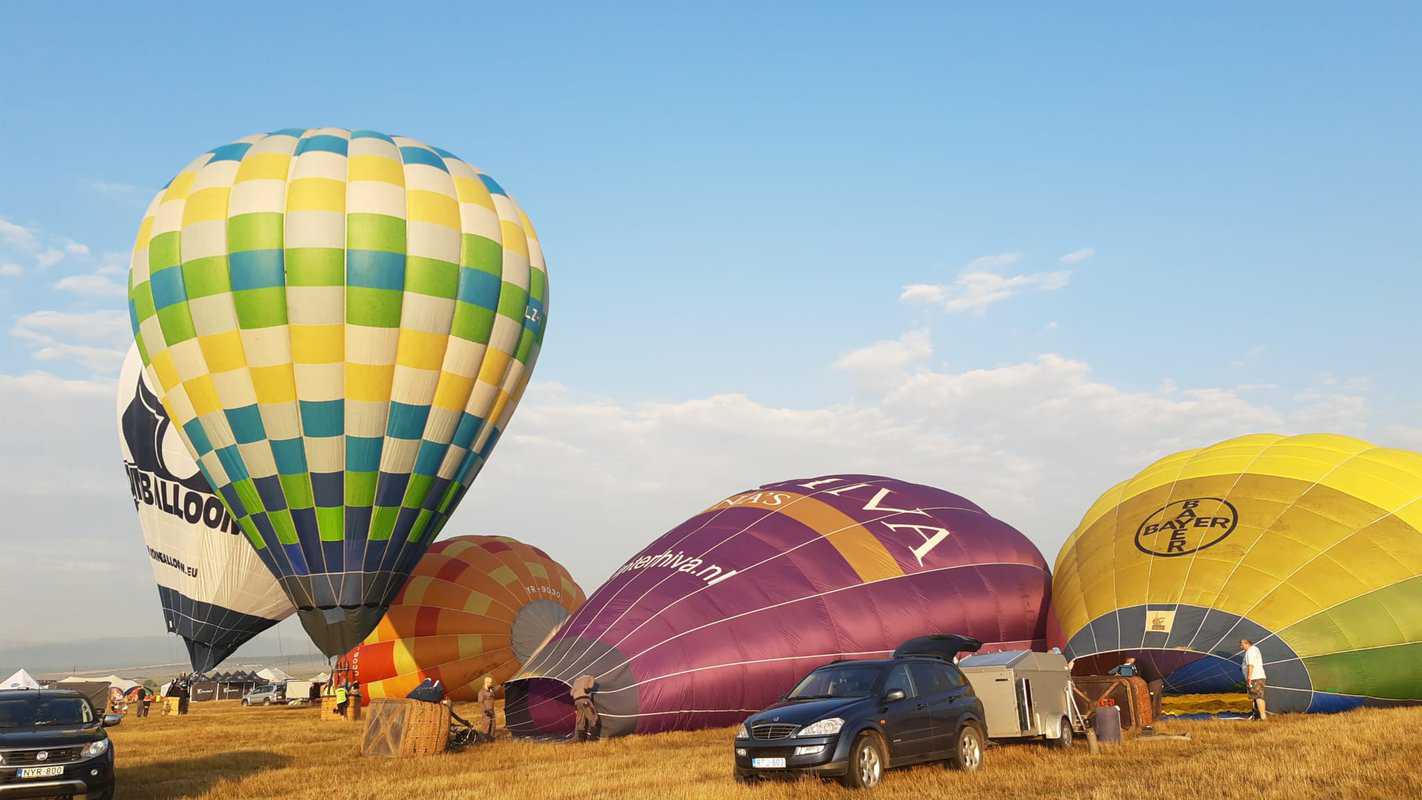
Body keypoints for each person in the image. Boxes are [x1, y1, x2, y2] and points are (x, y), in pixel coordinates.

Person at [1240, 639, 1267, 721]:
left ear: (1247, 644)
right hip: (1258, 676)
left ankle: (1263, 717)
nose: (1240, 646)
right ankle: (1258, 716)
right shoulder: (1255, 649)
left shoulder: (1250, 652)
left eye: (1241, 644)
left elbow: (1250, 665)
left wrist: (1249, 678)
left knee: (1258, 696)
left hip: (1254, 677)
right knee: (1257, 696)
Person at [570, 674, 599, 742]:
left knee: (580, 720)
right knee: (593, 717)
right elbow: (589, 687)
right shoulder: (590, 677)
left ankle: (581, 740)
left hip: (577, 702)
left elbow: (571, 693)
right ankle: (593, 739)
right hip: (584, 700)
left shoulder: (576, 680)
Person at [477, 676, 497, 742]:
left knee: (493, 724)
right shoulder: (481, 692)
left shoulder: (491, 690)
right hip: (486, 711)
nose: (491, 684)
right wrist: (485, 710)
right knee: (486, 723)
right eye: (490, 683)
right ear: (486, 682)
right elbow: (480, 702)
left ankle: (491, 738)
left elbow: (496, 690)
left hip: (492, 710)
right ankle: (484, 738)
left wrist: (501, 685)